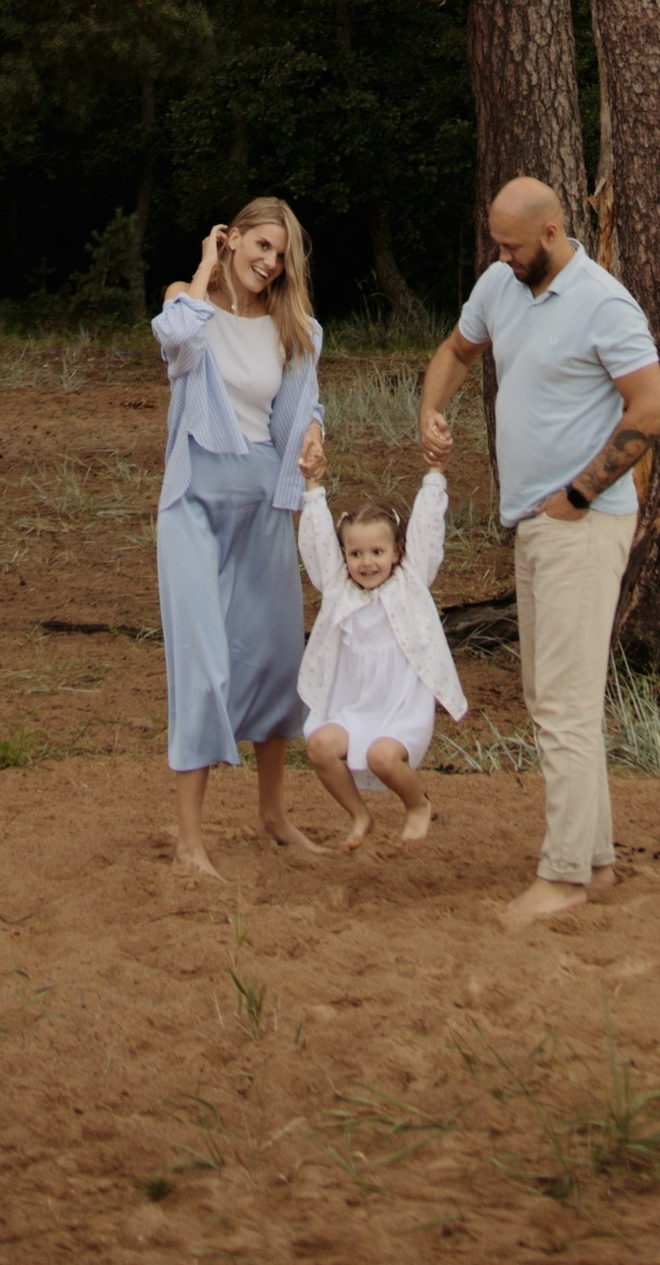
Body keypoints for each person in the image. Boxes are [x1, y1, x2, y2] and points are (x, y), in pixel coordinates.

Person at [419, 174, 660, 930]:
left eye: (512, 244)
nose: (500, 255)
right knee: (553, 697)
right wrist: (432, 408)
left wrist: (582, 494)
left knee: (561, 702)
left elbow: (650, 408)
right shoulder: (502, 285)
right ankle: (594, 857)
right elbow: (458, 352)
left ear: (552, 234)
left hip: (583, 525)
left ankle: (563, 878)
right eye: (496, 243)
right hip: (531, 522)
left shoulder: (603, 302)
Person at [154, 198, 329, 879]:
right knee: (202, 662)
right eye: (260, 245)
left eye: (281, 254)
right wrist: (202, 269)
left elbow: (301, 408)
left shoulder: (295, 328)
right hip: (194, 496)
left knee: (275, 655)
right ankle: (189, 838)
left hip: (263, 499)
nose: (270, 262)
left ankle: (273, 816)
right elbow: (178, 341)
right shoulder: (187, 300)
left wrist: (313, 441)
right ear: (230, 239)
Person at [295, 467, 466, 849]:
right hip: (354, 707)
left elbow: (426, 527)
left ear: (397, 552)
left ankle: (417, 804)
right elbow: (318, 542)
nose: (367, 562)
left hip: (401, 711)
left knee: (383, 758)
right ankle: (360, 815)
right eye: (356, 554)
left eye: (377, 552)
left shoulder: (411, 584)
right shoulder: (339, 589)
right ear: (344, 556)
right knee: (321, 746)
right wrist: (312, 487)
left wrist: (436, 474)